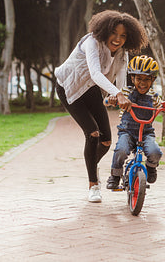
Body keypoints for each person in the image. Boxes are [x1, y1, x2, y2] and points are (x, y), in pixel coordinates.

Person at [55, 10, 148, 203]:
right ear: (105, 30)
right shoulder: (92, 42)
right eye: (114, 33)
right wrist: (117, 94)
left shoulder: (123, 52)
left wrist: (121, 94)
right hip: (69, 88)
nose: (117, 39)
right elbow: (96, 73)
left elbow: (122, 76)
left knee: (106, 141)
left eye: (123, 35)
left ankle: (91, 165)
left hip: (91, 90)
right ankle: (93, 185)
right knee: (93, 133)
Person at [103, 55, 165, 190]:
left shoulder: (153, 96)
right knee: (121, 150)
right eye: (139, 79)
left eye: (146, 79)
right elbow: (107, 101)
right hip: (127, 131)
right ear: (132, 78)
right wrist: (112, 100)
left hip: (146, 132)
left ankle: (151, 167)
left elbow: (162, 105)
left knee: (156, 152)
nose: (142, 83)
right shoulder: (125, 92)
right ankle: (115, 175)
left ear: (153, 80)